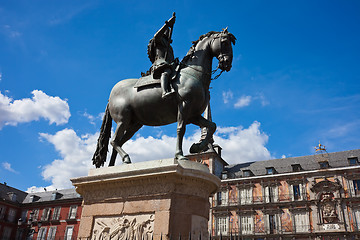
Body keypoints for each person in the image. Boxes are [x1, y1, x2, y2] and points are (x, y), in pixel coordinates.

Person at [147, 13, 176, 99]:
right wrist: (167, 25)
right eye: (167, 31)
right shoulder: (158, 40)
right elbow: (157, 36)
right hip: (160, 64)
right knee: (166, 72)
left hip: (170, 65)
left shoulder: (169, 47)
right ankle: (164, 92)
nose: (168, 32)